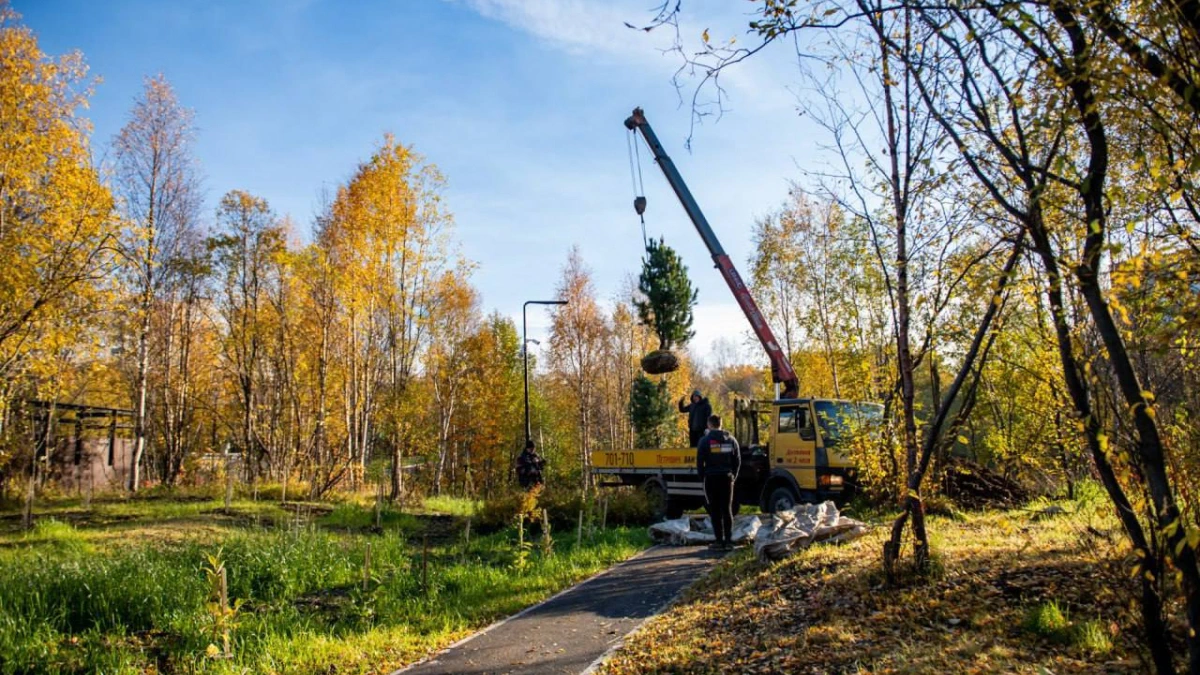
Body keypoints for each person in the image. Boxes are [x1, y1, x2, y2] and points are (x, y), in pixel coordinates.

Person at [696, 414, 740, 551]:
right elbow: (737, 460)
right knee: (727, 509)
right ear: (721, 424)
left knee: (714, 510)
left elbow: (699, 462)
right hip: (726, 478)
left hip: (711, 478)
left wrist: (703, 476)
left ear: (709, 425)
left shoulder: (704, 441)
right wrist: (733, 476)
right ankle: (728, 541)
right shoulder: (731, 440)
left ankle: (718, 541)